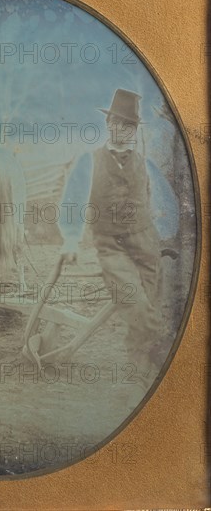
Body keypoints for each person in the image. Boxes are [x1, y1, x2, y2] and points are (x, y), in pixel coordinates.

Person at [58, 89, 179, 393]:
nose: (121, 129)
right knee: (138, 307)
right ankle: (164, 353)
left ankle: (142, 384)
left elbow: (163, 204)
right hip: (111, 247)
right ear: (108, 123)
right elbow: (73, 199)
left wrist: (164, 236)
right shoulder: (89, 162)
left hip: (147, 247)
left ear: (135, 130)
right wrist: (71, 239)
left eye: (128, 125)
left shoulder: (145, 165)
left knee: (146, 309)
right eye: (116, 122)